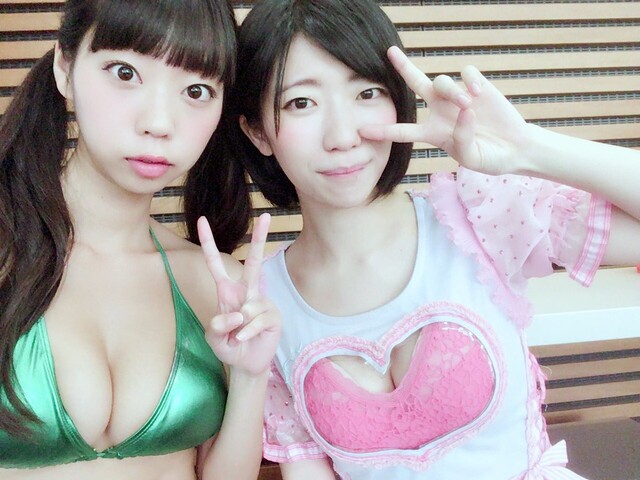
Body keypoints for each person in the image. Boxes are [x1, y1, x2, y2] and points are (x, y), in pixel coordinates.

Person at [183, 0, 640, 479]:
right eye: (301, 102)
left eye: (367, 92)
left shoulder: (477, 214)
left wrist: (527, 148)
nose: (343, 136)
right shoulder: (264, 304)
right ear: (257, 131)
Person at [0, 1, 280, 479]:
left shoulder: (215, 282)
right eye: (125, 73)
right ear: (65, 67)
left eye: (196, 91)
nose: (159, 123)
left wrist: (252, 377)